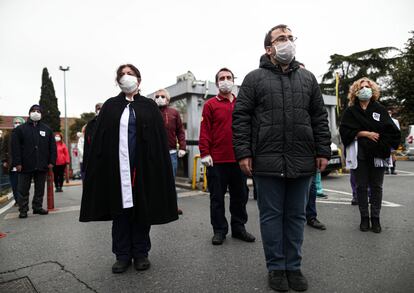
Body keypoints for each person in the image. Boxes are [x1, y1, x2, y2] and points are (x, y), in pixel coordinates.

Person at [232, 25, 331, 292]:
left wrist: (323, 150)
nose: (287, 42)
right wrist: (243, 153)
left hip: (302, 158)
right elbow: (241, 118)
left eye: (290, 37)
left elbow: (319, 117)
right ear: (269, 48)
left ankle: (293, 267)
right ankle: (276, 267)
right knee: (271, 216)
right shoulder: (254, 79)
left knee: (297, 215)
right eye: (281, 38)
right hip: (266, 159)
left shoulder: (308, 79)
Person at [79, 64, 178, 274]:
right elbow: (99, 141)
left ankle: (141, 252)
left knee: (141, 210)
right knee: (120, 212)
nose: (126, 77)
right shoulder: (110, 107)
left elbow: (158, 140)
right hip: (116, 170)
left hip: (142, 169)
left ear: (139, 80)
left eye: (130, 74)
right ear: (117, 81)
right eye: (122, 74)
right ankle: (122, 255)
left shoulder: (149, 107)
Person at [199, 67, 255, 246]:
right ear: (216, 83)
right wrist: (205, 153)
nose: (225, 80)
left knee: (240, 196)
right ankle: (219, 230)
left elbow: (250, 129)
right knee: (217, 198)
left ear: (233, 80)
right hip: (216, 161)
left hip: (239, 159)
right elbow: (205, 130)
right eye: (221, 78)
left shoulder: (242, 104)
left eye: (228, 77)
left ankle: (239, 228)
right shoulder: (210, 105)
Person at [340, 77, 400, 233]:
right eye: (361, 87)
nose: (364, 90)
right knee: (361, 187)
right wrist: (364, 133)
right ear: (355, 92)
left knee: (377, 187)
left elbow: (392, 131)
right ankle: (364, 219)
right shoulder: (351, 111)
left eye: (367, 87)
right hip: (359, 154)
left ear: (372, 91)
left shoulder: (379, 109)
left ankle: (376, 219)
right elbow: (345, 131)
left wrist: (387, 146)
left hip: (378, 154)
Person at [11, 105, 57, 218]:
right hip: (25, 165)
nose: (35, 113)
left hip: (42, 164)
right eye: (33, 111)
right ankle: (23, 210)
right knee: (23, 189)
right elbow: (15, 148)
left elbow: (52, 147)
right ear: (29, 113)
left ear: (41, 114)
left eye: (38, 111)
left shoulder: (47, 129)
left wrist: (51, 161)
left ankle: (37, 207)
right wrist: (17, 163)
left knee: (40, 188)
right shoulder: (20, 130)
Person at [153, 88, 186, 215]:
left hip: (171, 153)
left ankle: (173, 206)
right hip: (154, 153)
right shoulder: (151, 112)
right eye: (157, 96)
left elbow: (180, 131)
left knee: (171, 181)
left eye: (162, 96)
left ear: (167, 99)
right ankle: (155, 206)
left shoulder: (174, 113)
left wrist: (182, 147)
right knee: (155, 180)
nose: (160, 98)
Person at [1, 117, 25, 205]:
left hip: (24, 164)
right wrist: (4, 160)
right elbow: (3, 149)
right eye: (15, 122)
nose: (17, 124)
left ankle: (22, 199)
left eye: (19, 122)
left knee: (22, 184)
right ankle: (17, 200)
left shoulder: (26, 134)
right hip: (12, 164)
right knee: (14, 184)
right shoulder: (8, 135)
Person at [82, 103, 102, 175]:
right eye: (98, 109)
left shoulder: (109, 121)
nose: (100, 110)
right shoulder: (91, 124)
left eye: (101, 108)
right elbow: (87, 143)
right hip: (93, 156)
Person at [385, 110, 400, 175]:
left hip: (392, 139)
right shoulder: (383, 120)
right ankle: (386, 169)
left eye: (390, 113)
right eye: (388, 113)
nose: (389, 114)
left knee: (393, 154)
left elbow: (398, 130)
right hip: (385, 139)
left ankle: (393, 169)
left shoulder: (395, 121)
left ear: (391, 113)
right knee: (385, 154)